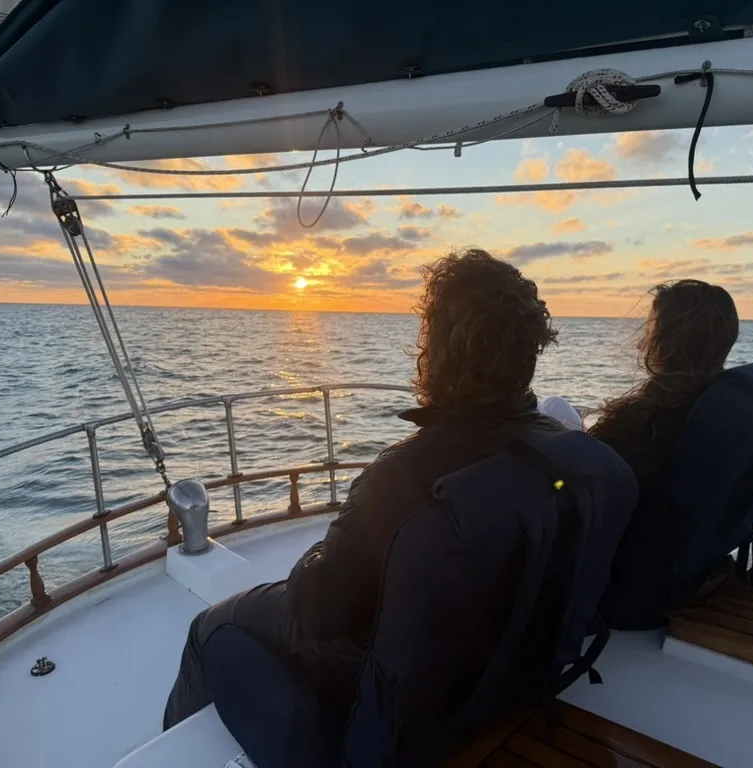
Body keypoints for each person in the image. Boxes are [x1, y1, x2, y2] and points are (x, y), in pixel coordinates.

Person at [162, 247, 565, 729]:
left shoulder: (404, 479)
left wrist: (319, 555)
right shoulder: (563, 453)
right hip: (497, 672)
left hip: (399, 690)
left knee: (209, 627)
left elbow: (319, 612)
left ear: (437, 353)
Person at [589, 279, 739, 628]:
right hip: (682, 569)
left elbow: (583, 496)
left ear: (662, 341)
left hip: (622, 585)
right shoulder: (714, 408)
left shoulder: (641, 423)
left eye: (651, 326)